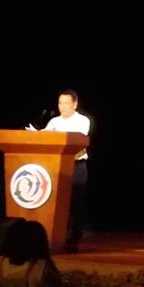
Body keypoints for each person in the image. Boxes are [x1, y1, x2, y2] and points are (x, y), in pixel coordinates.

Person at [38, 89, 91, 252]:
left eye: (66, 103)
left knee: (75, 201)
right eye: (60, 103)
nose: (62, 106)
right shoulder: (54, 122)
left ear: (75, 104)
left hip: (76, 165)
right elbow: (45, 138)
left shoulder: (83, 120)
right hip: (56, 165)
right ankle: (57, 234)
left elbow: (78, 139)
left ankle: (76, 234)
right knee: (57, 201)